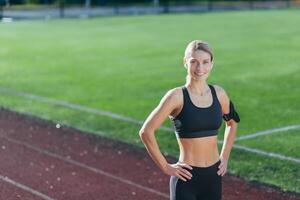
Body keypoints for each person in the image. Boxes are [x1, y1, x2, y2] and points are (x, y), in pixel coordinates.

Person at [139, 40, 240, 200]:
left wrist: (225, 157)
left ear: (212, 64)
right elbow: (146, 131)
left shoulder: (219, 94)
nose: (200, 68)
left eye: (205, 62)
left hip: (214, 177)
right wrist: (166, 167)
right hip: (187, 178)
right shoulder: (176, 96)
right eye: (194, 62)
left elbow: (232, 124)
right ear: (185, 63)